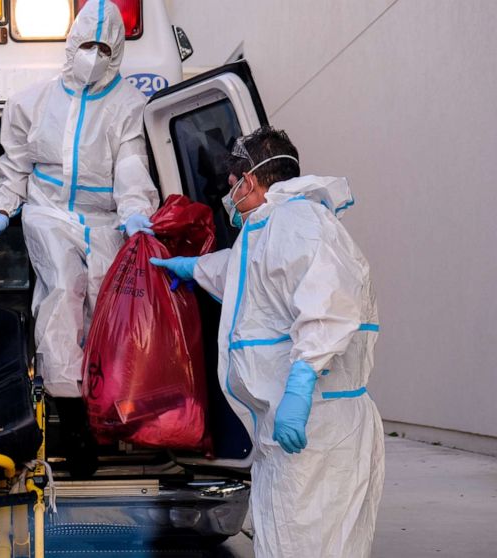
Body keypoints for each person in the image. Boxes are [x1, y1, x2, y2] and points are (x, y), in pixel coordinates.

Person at [151, 127, 384, 557]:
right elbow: (248, 278)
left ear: (250, 180)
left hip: (315, 426)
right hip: (292, 434)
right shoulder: (272, 228)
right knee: (289, 540)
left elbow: (330, 305)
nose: (230, 193)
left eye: (232, 183)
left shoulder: (299, 222)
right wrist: (191, 267)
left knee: (311, 543)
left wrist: (300, 384)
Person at [0, 0, 158, 468]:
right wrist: (3, 209)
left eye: (103, 47)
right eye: (86, 45)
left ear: (116, 50)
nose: (93, 55)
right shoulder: (32, 101)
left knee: (109, 308)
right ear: (71, 44)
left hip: (104, 218)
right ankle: (76, 426)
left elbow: (132, 165)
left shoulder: (129, 106)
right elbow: (15, 164)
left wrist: (136, 212)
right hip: (49, 212)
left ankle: (111, 416)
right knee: (62, 294)